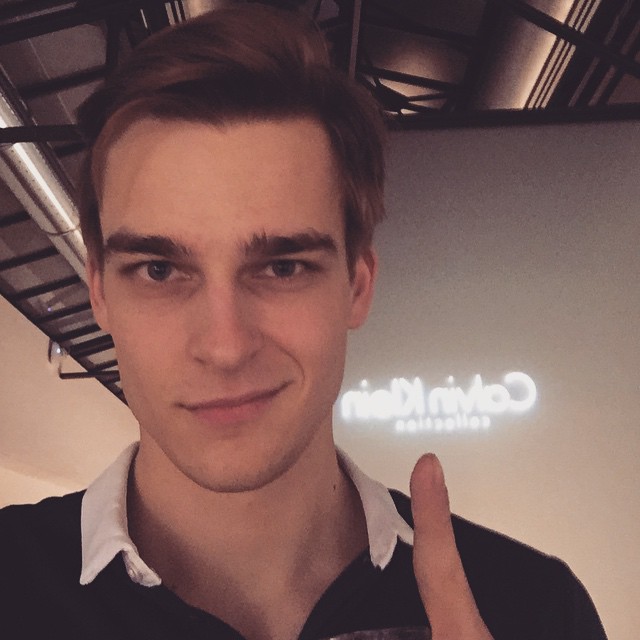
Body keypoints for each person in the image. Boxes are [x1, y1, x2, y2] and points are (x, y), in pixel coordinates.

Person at [0, 5, 607, 640]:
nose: (225, 346)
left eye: (282, 267)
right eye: (159, 270)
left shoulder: (535, 610)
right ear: (99, 291)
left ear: (357, 285)